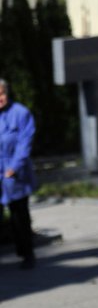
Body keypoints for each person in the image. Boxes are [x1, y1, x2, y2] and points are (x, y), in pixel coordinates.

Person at [0, 78, 36, 270]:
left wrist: (13, 167)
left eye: (1, 94)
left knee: (19, 216)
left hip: (15, 174)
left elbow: (25, 144)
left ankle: (27, 253)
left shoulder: (21, 113)